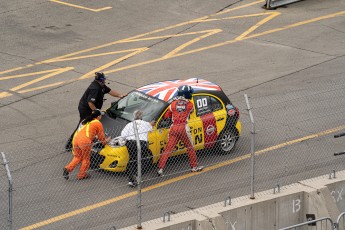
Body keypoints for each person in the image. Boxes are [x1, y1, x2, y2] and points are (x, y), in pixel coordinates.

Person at [65, 72, 124, 151]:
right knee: (83, 125)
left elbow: (110, 91)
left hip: (91, 108)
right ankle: (71, 144)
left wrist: (120, 95)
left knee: (89, 126)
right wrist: (96, 112)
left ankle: (88, 141)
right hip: (86, 109)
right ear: (101, 80)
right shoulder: (95, 88)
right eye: (104, 78)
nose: (106, 79)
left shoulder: (101, 85)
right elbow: (90, 102)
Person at [157, 85, 203, 176]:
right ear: (186, 94)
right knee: (190, 147)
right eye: (190, 93)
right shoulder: (190, 105)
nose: (191, 94)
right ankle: (194, 167)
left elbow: (167, 116)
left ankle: (160, 168)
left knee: (168, 149)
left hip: (173, 127)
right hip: (183, 128)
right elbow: (192, 112)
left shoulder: (173, 103)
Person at [63, 109, 110, 180]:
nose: (101, 117)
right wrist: (105, 142)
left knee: (78, 157)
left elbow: (88, 132)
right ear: (98, 116)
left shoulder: (88, 121)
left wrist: (93, 138)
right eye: (101, 116)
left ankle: (67, 169)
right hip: (84, 142)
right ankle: (81, 175)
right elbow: (101, 137)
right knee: (86, 159)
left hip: (76, 139)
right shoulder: (98, 123)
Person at [121, 110, 156, 187]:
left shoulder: (129, 124)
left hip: (130, 144)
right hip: (142, 144)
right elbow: (151, 129)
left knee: (132, 160)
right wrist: (150, 124)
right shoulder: (146, 124)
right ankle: (137, 174)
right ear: (142, 117)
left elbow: (123, 135)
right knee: (143, 160)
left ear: (134, 116)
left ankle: (131, 180)